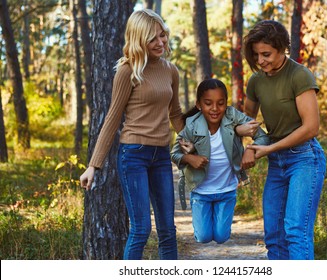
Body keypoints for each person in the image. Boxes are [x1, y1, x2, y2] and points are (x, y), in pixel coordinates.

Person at [79, 9, 184, 260]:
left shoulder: (171, 70)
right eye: (152, 38)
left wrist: (198, 141)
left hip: (161, 156)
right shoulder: (128, 71)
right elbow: (113, 118)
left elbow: (176, 115)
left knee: (168, 230)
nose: (160, 42)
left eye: (162, 35)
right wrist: (94, 165)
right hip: (133, 155)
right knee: (141, 230)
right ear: (139, 40)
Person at [242, 20, 327, 260]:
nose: (260, 60)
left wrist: (270, 147)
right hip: (277, 162)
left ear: (282, 48)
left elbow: (311, 127)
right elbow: (247, 122)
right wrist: (248, 147)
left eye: (266, 54)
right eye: (256, 55)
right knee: (274, 236)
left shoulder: (299, 75)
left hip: (305, 159)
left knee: (296, 232)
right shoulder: (256, 81)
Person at [171, 78, 269, 244]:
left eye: (221, 103)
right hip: (201, 191)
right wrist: (189, 158)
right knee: (203, 237)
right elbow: (174, 153)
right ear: (199, 104)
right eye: (208, 103)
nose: (215, 109)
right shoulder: (192, 125)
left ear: (226, 103)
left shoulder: (232, 116)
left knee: (222, 236)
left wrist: (251, 150)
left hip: (227, 190)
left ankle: (219, 221)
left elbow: (262, 136)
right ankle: (204, 222)